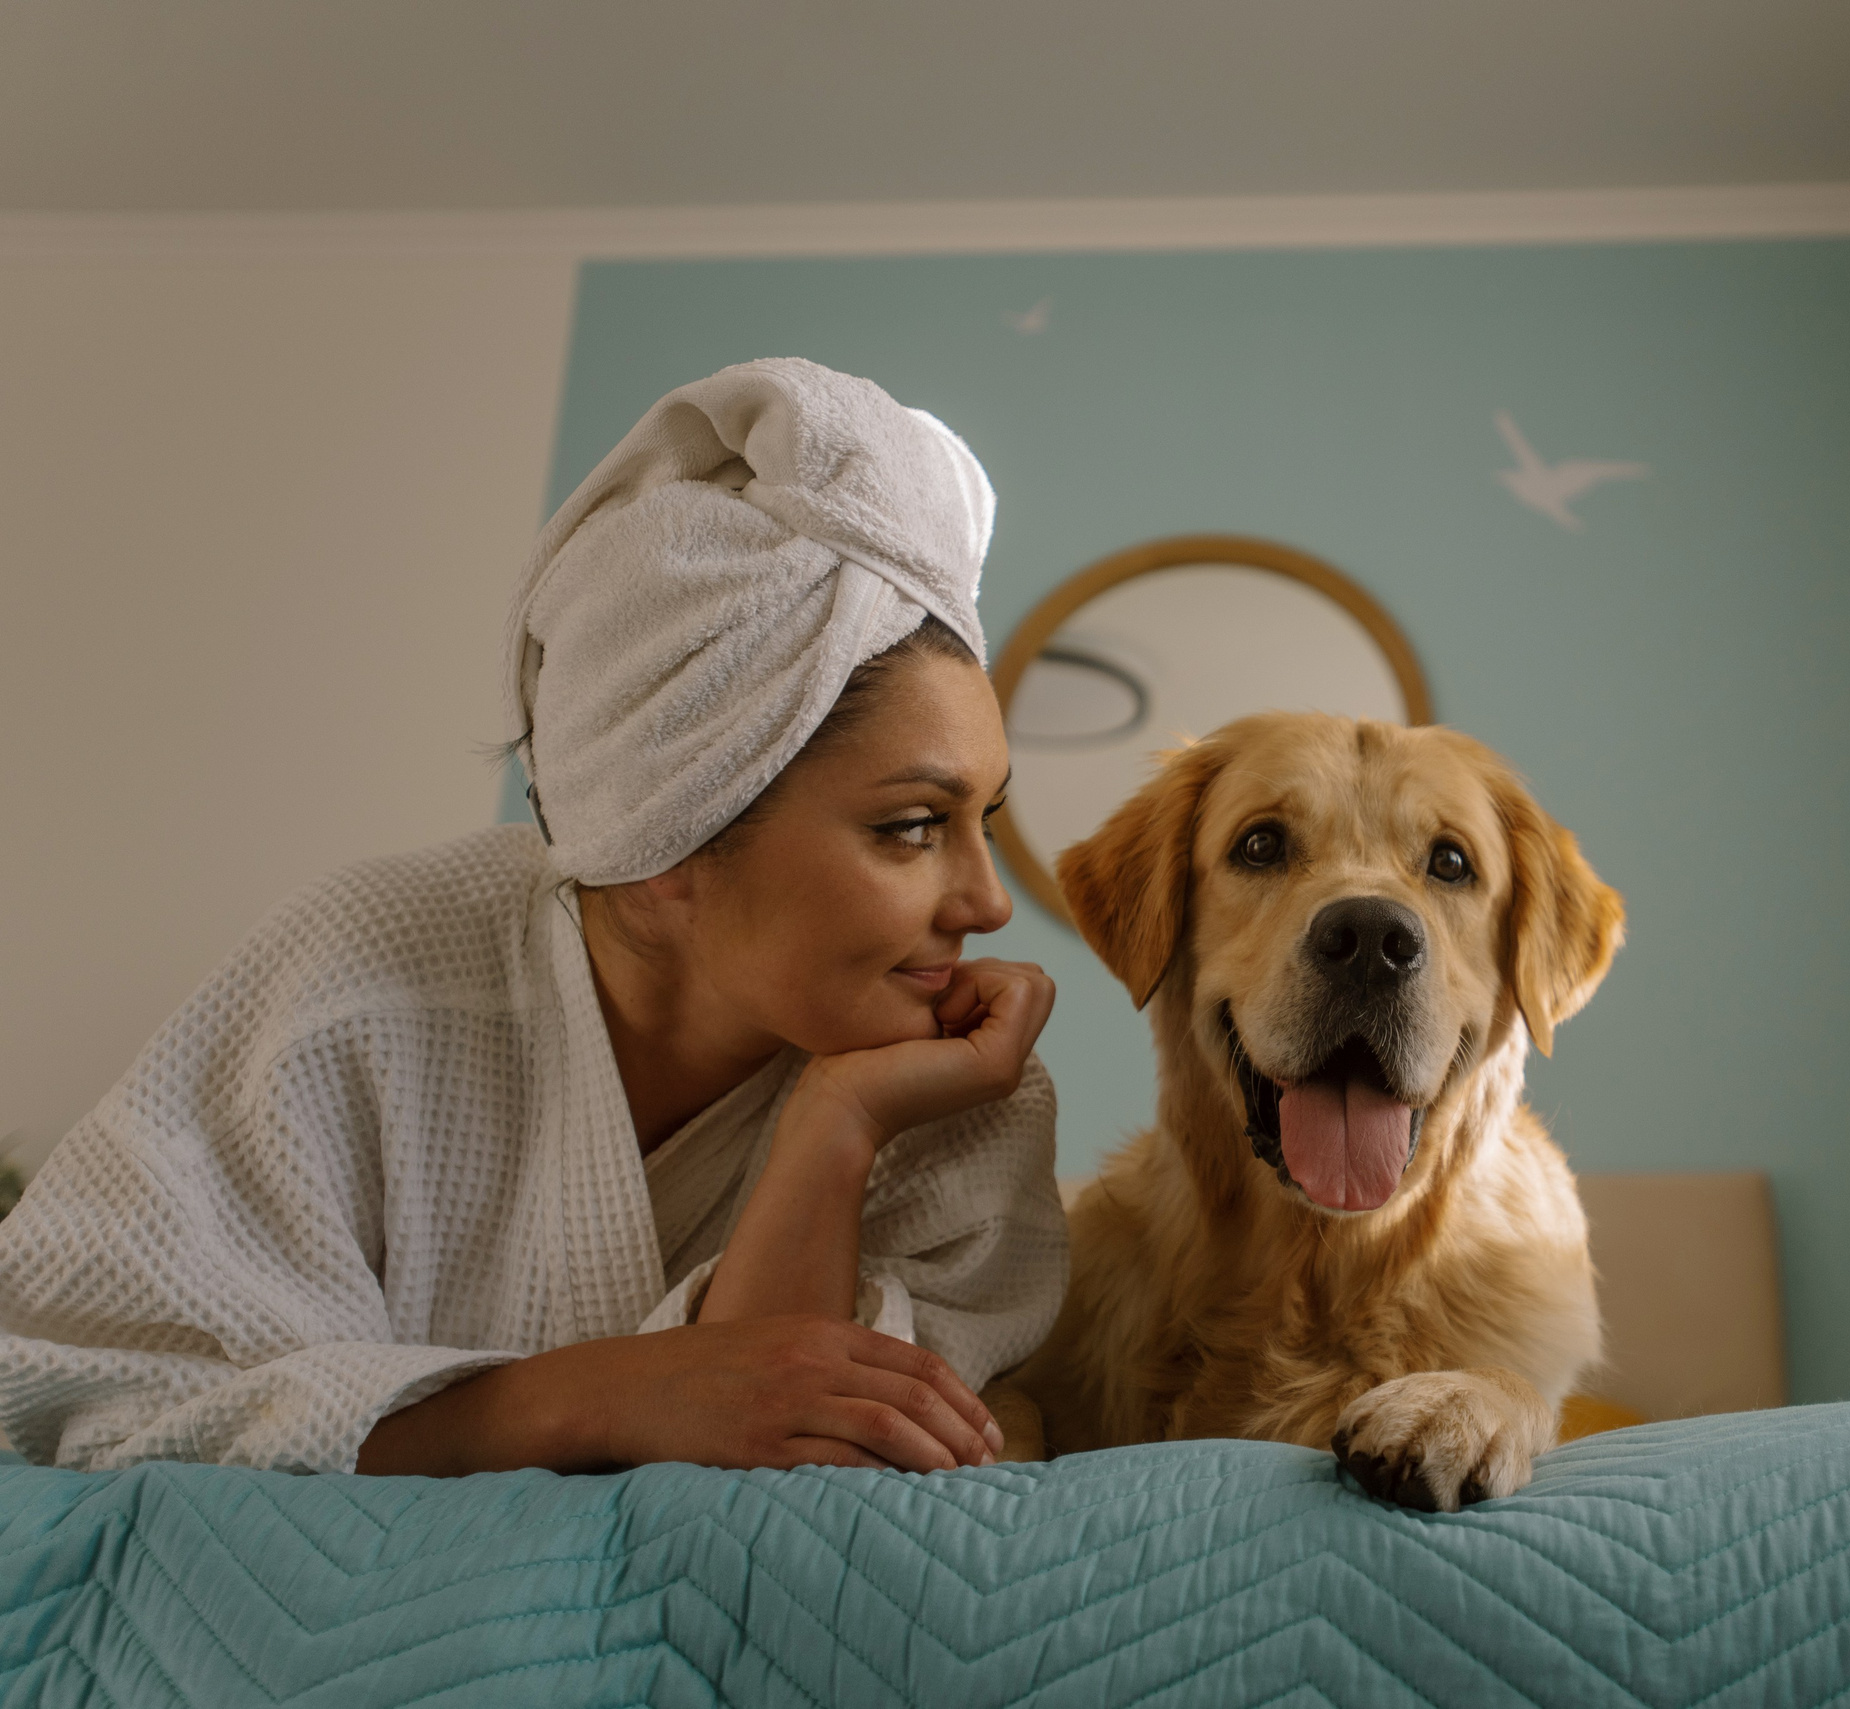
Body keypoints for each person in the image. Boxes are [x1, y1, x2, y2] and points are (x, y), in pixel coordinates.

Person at [0, 359, 1064, 1478]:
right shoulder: (374, 972)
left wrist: (835, 1128)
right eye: (910, 826)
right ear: (668, 844)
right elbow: (73, 1391)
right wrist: (576, 1399)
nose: (988, 902)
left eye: (985, 818)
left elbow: (806, 1488)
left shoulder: (958, 1100)